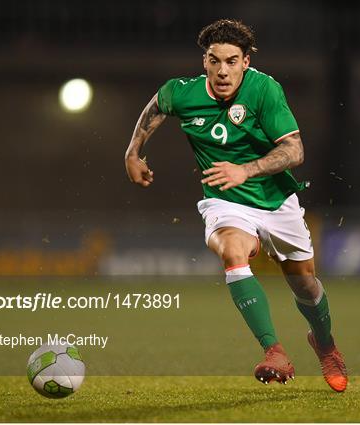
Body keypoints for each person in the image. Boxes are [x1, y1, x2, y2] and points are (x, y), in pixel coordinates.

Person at [124, 19, 347, 392]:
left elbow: (294, 151)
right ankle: (273, 351)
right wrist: (133, 151)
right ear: (205, 61)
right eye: (215, 61)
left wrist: (247, 169)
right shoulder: (184, 92)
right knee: (233, 251)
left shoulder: (264, 89)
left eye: (231, 61)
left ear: (246, 62)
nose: (222, 70)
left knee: (305, 285)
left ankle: (325, 345)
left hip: (276, 201)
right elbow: (157, 107)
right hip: (224, 201)